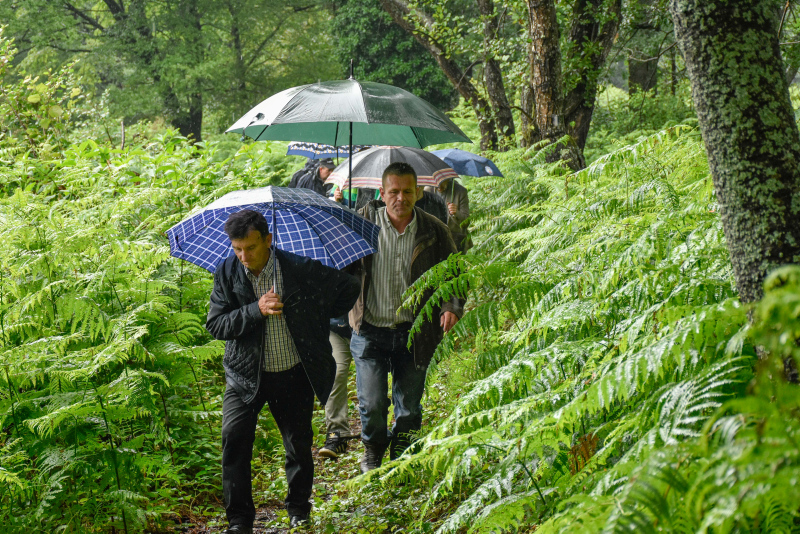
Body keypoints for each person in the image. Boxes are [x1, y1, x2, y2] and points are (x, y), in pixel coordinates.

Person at [206, 209, 360, 533]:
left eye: (250, 247)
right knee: (233, 438)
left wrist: (315, 315)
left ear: (268, 240)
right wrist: (255, 310)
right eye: (237, 249)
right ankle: (239, 521)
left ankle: (299, 511)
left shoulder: (299, 269)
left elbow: (347, 287)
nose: (244, 256)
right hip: (244, 375)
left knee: (298, 445)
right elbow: (216, 324)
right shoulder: (227, 272)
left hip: (292, 372)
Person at [348, 162, 465, 473]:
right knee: (372, 405)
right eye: (394, 192)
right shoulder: (360, 225)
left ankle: (402, 457)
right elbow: (338, 269)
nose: (401, 198)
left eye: (407, 191)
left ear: (419, 192)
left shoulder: (434, 230)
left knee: (409, 408)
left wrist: (451, 307)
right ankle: (373, 448)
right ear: (382, 193)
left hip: (415, 331)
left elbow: (456, 274)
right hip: (369, 329)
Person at [317, 315, 355, 459]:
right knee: (334, 375)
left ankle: (377, 431)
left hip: (367, 327)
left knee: (371, 377)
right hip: (335, 329)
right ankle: (337, 435)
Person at [425, 178, 471, 252]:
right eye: (436, 182)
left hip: (456, 239)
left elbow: (466, 222)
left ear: (449, 178)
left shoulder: (460, 192)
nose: (439, 186)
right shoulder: (427, 191)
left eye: (442, 181)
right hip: (434, 240)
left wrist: (456, 213)